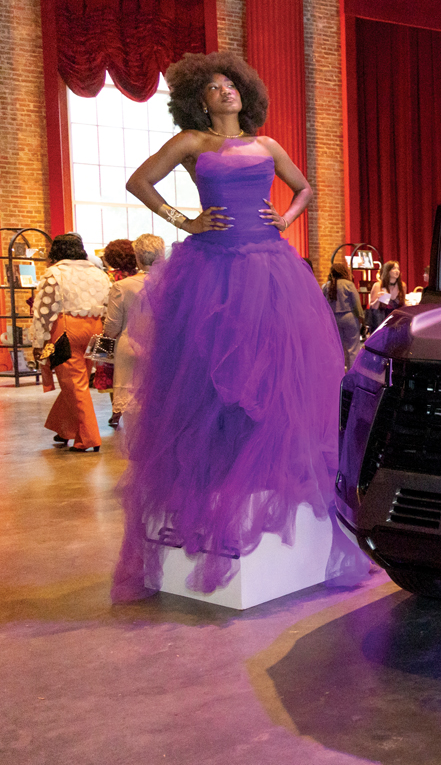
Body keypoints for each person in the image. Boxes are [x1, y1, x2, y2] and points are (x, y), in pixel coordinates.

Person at [111, 51, 371, 601]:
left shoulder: (268, 145)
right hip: (210, 269)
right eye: (212, 86)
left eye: (230, 84)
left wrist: (289, 217)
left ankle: (269, 476)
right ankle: (220, 479)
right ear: (197, 100)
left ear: (244, 93)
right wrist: (187, 221)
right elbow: (140, 182)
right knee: (208, 376)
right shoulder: (191, 143)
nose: (224, 91)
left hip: (270, 269)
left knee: (272, 374)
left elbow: (303, 189)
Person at [28, 233, 112, 452]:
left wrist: (39, 342)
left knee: (74, 384)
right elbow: (108, 304)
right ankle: (64, 428)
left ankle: (89, 438)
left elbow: (43, 312)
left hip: (66, 330)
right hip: (96, 329)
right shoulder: (99, 273)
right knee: (80, 380)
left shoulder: (54, 273)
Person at [101, 234, 164, 427]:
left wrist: (105, 343)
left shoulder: (122, 286)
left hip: (129, 347)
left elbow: (112, 325)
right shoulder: (173, 283)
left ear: (137, 257)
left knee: (133, 413)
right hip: (163, 348)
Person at [95, 238, 139, 426]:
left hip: (116, 330)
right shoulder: (139, 276)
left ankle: (116, 411)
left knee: (112, 370)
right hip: (138, 329)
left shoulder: (111, 279)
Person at [325, 261, 364, 368]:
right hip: (349, 318)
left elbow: (322, 305)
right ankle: (352, 374)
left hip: (333, 319)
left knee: (337, 349)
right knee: (353, 349)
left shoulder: (326, 286)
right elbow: (356, 304)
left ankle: (338, 373)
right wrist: (361, 319)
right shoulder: (349, 284)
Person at [365, 260, 405, 333]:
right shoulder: (378, 285)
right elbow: (373, 307)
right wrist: (378, 299)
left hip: (397, 323)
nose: (397, 271)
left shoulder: (402, 286)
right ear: (388, 271)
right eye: (393, 268)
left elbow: (403, 304)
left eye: (398, 268)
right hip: (381, 322)